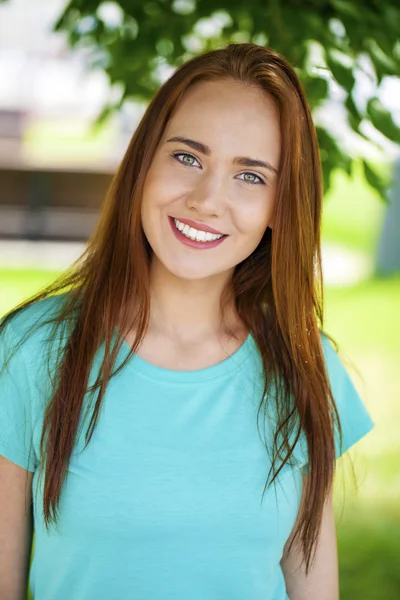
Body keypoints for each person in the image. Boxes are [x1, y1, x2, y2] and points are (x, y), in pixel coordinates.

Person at [0, 43, 374, 600]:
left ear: (281, 206)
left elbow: (311, 579)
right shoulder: (34, 351)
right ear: (143, 162)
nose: (206, 200)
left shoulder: (304, 363)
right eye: (187, 158)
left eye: (250, 176)